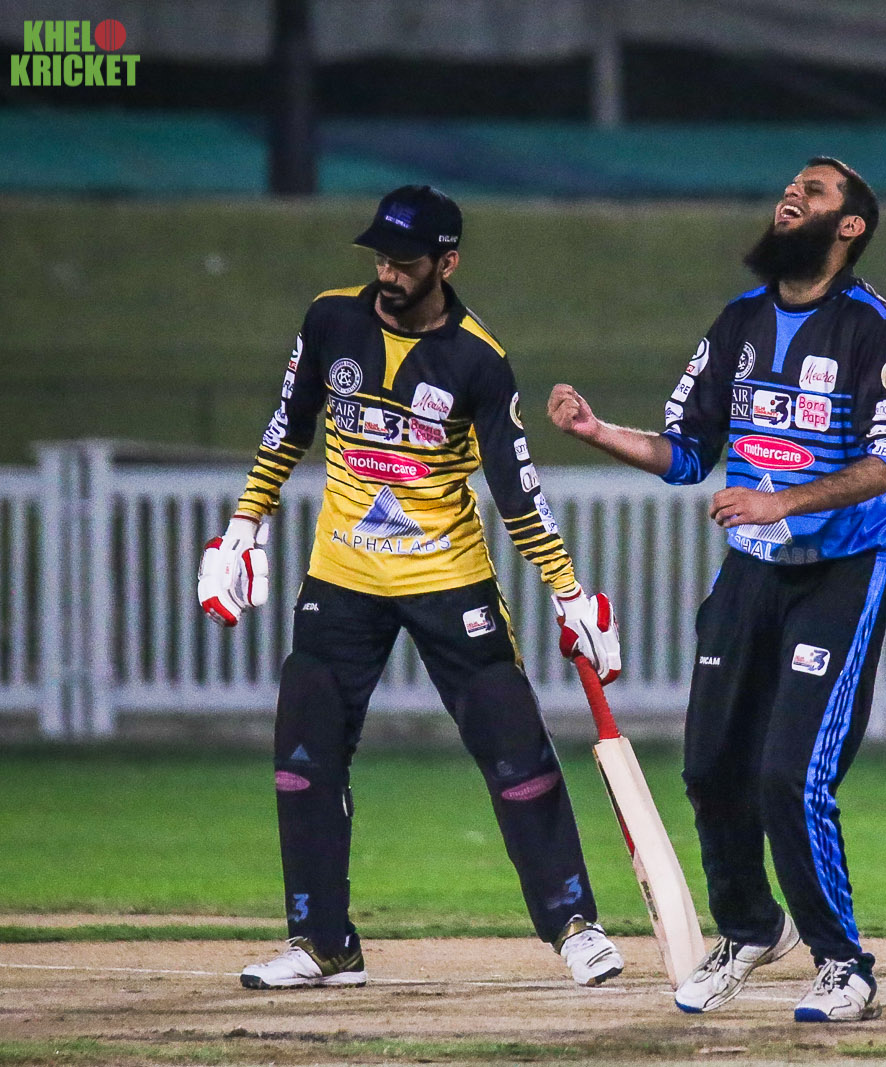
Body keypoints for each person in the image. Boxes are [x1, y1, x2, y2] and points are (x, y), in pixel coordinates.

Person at [198, 185, 625, 991]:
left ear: (446, 263)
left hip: (448, 575)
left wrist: (568, 591)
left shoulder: (478, 359)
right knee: (303, 754)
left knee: (515, 749)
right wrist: (243, 526)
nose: (387, 273)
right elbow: (287, 427)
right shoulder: (331, 320)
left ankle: (575, 925)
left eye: (403, 261)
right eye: (380, 258)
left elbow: (516, 487)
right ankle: (322, 942)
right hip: (342, 574)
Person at [547, 158, 886, 1023]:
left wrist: (783, 500)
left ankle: (845, 964)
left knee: (790, 775)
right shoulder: (739, 322)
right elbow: (686, 453)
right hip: (749, 571)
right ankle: (751, 928)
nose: (792, 194)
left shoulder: (872, 329)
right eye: (792, 186)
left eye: (815, 191)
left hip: (840, 574)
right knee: (711, 767)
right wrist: (596, 431)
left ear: (850, 227)